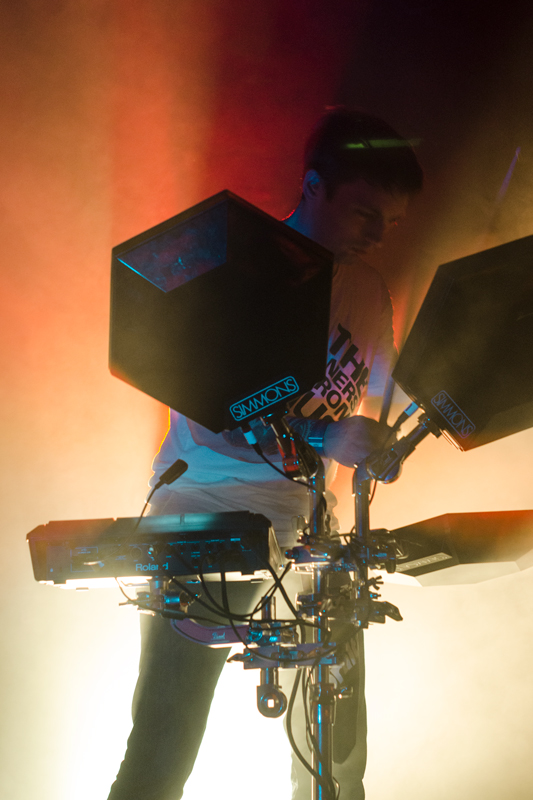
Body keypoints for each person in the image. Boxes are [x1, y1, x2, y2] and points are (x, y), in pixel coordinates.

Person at [107, 107, 423, 800]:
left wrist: (383, 442)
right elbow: (211, 419)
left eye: (392, 223)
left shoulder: (369, 292)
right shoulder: (240, 269)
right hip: (208, 515)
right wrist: (323, 437)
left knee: (335, 759)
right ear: (313, 186)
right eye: (365, 213)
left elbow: (372, 400)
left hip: (310, 529)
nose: (377, 235)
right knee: (164, 746)